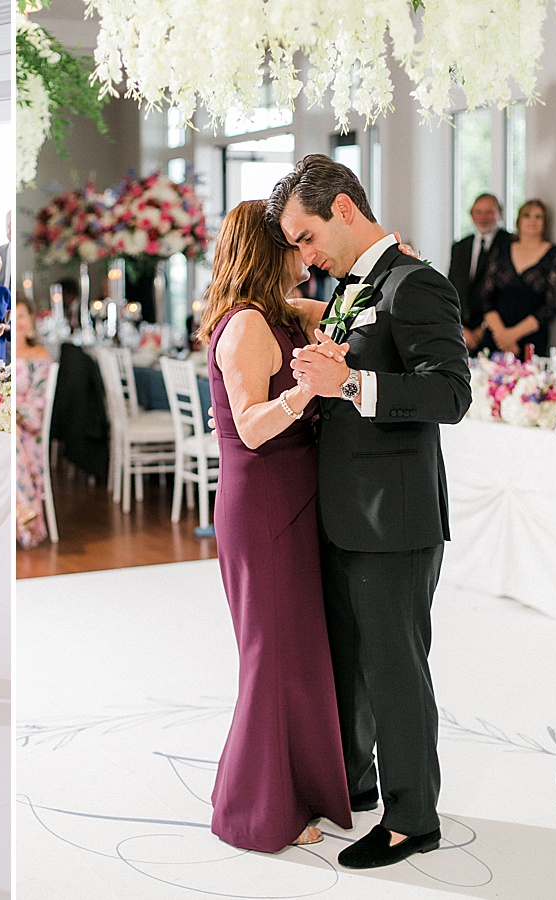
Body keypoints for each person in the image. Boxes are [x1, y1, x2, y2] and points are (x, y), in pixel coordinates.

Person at [269, 154, 472, 869]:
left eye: (305, 236)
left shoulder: (417, 285)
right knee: (349, 666)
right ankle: (355, 787)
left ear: (345, 210)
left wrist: (352, 382)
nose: (305, 254)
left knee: (395, 671)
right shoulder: (356, 287)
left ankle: (413, 818)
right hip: (347, 511)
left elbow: (451, 394)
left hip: (397, 517)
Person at [194, 200, 351, 852]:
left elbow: (347, 309)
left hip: (291, 500)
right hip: (263, 509)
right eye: (295, 243)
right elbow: (253, 427)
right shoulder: (248, 327)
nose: (306, 255)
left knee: (292, 657)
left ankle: (291, 791)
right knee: (270, 658)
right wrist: (306, 390)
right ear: (269, 250)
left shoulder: (279, 312)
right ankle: (251, 811)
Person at [475, 199, 556, 360]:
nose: (532, 220)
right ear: (519, 220)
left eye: (538, 217)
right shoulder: (502, 251)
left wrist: (513, 335)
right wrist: (502, 335)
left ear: (545, 222)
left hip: (531, 339)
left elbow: (551, 306)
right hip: (496, 336)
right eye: (527, 215)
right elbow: (485, 297)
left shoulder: (555, 255)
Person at [448, 193, 512, 351]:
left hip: (496, 333)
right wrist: (461, 327)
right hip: (462, 333)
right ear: (471, 214)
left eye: (489, 212)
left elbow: (507, 291)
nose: (483, 217)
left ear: (500, 215)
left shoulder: (510, 244)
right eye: (478, 212)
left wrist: (484, 327)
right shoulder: (460, 247)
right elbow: (451, 288)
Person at [15, 298, 53, 549]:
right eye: (11, 317)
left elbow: (39, 402)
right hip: (5, 425)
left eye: (21, 316)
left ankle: (22, 508)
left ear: (30, 320)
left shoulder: (39, 356)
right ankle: (22, 507)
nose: (16, 322)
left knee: (11, 437)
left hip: (28, 430)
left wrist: (16, 413)